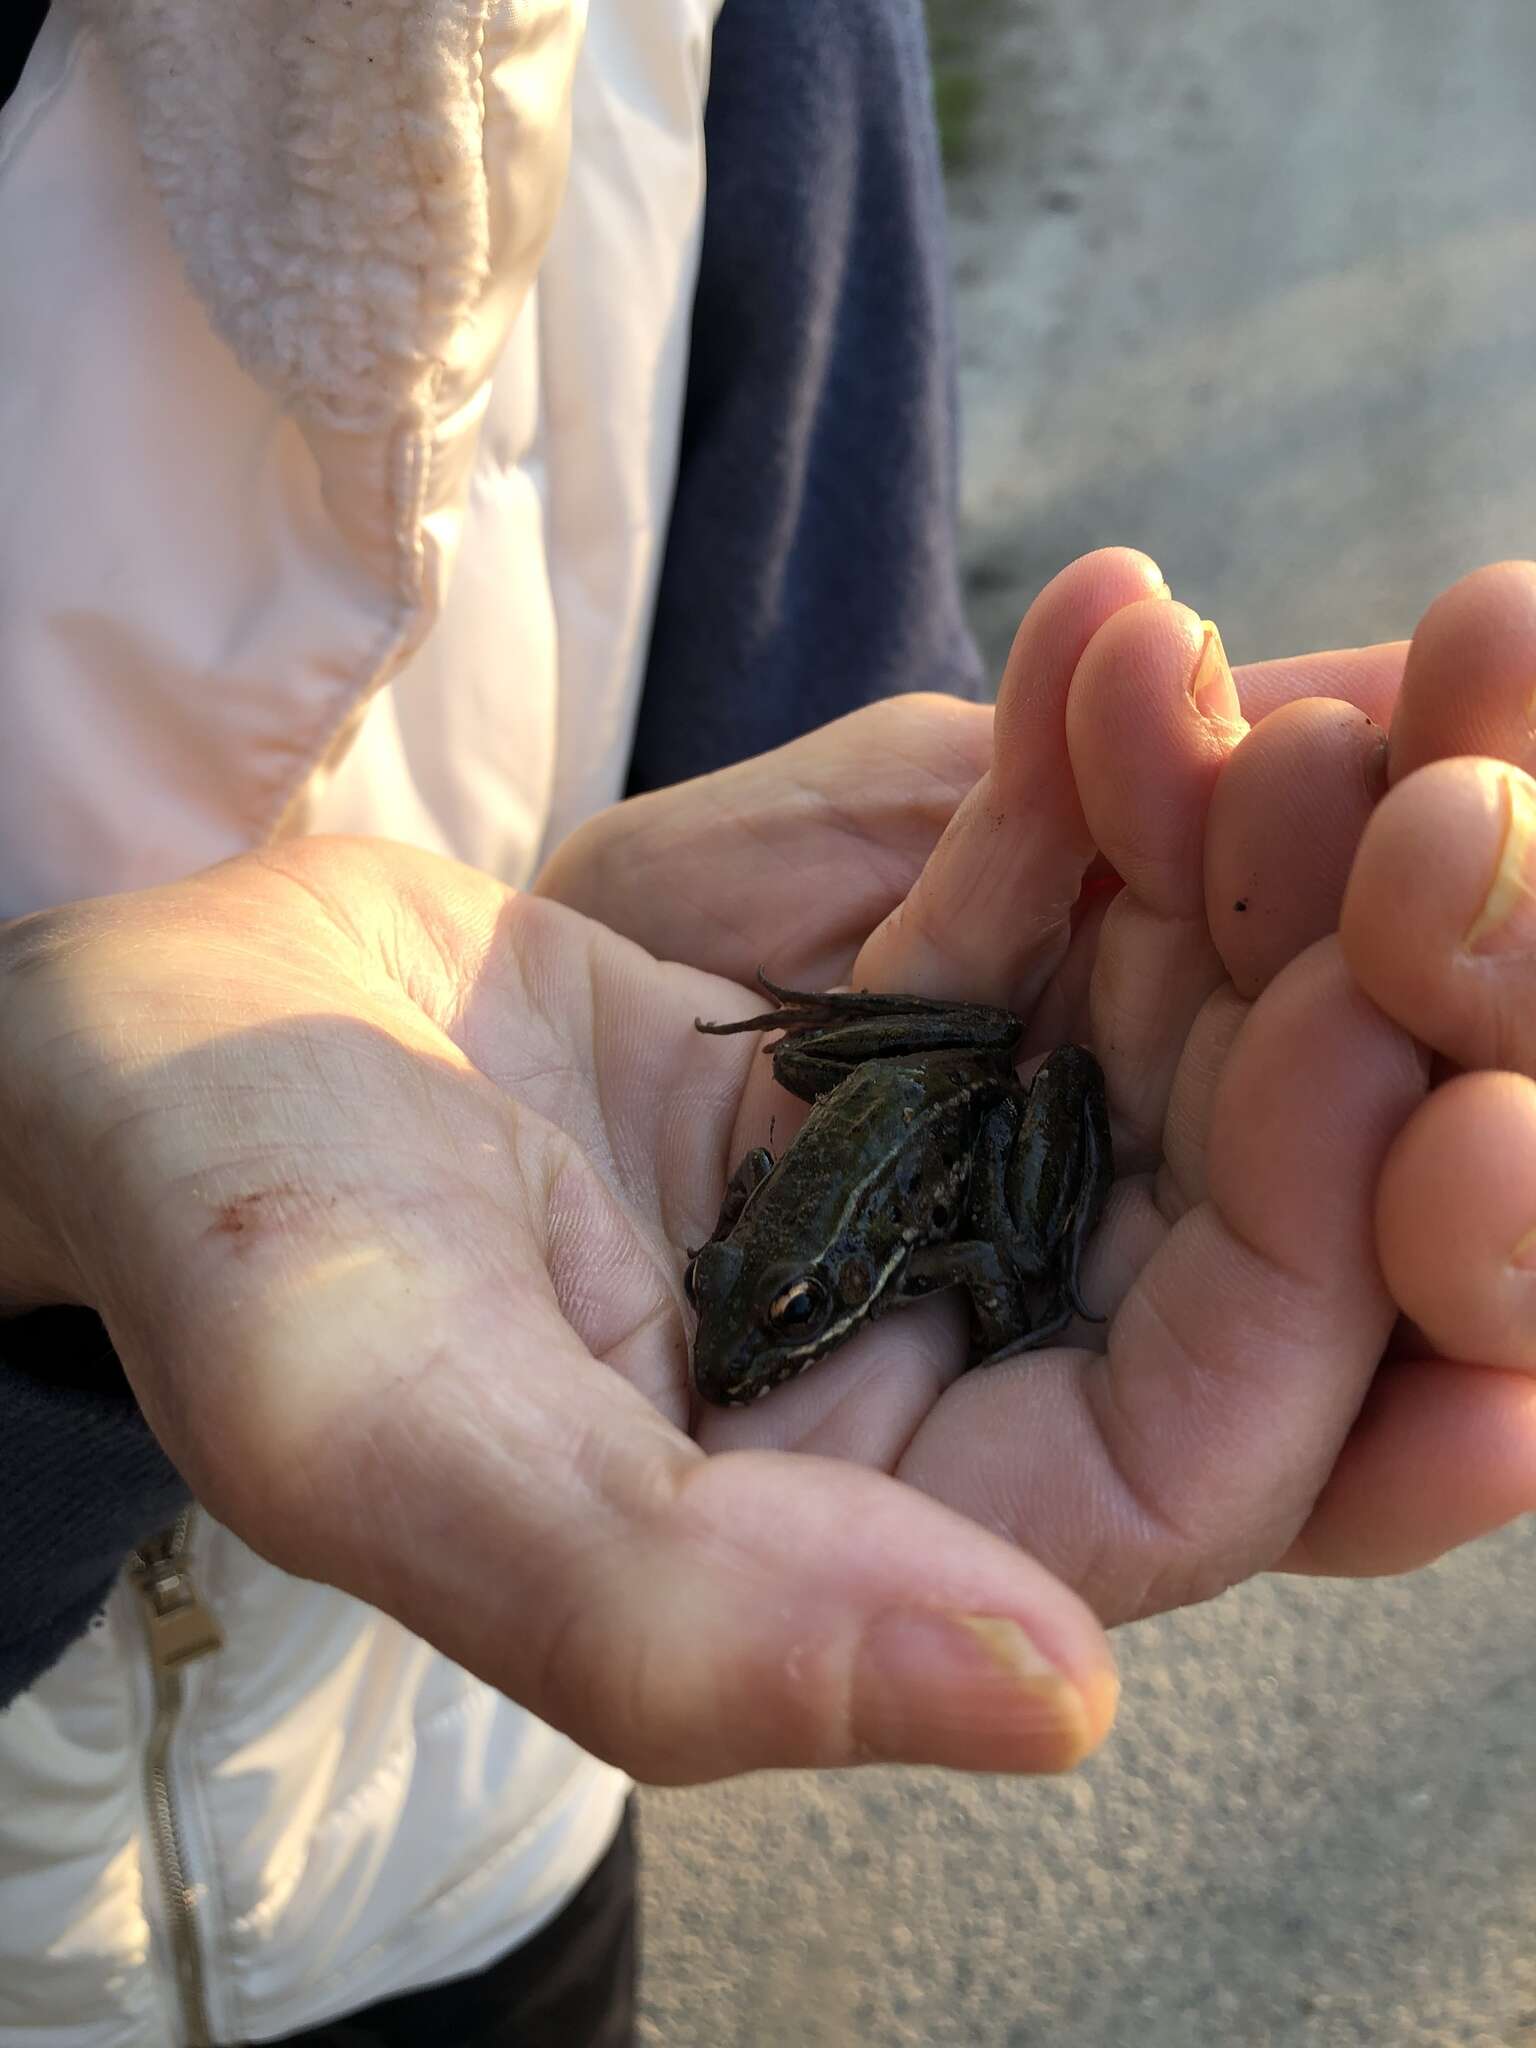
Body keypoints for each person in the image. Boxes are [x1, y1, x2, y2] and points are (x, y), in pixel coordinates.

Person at [5, 10, 1536, 2048]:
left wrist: (795, 865)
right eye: (750, 1313)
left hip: (456, 1820)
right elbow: (938, 1260)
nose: (733, 1321)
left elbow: (813, 624)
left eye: (742, 1302)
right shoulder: (759, 1285)